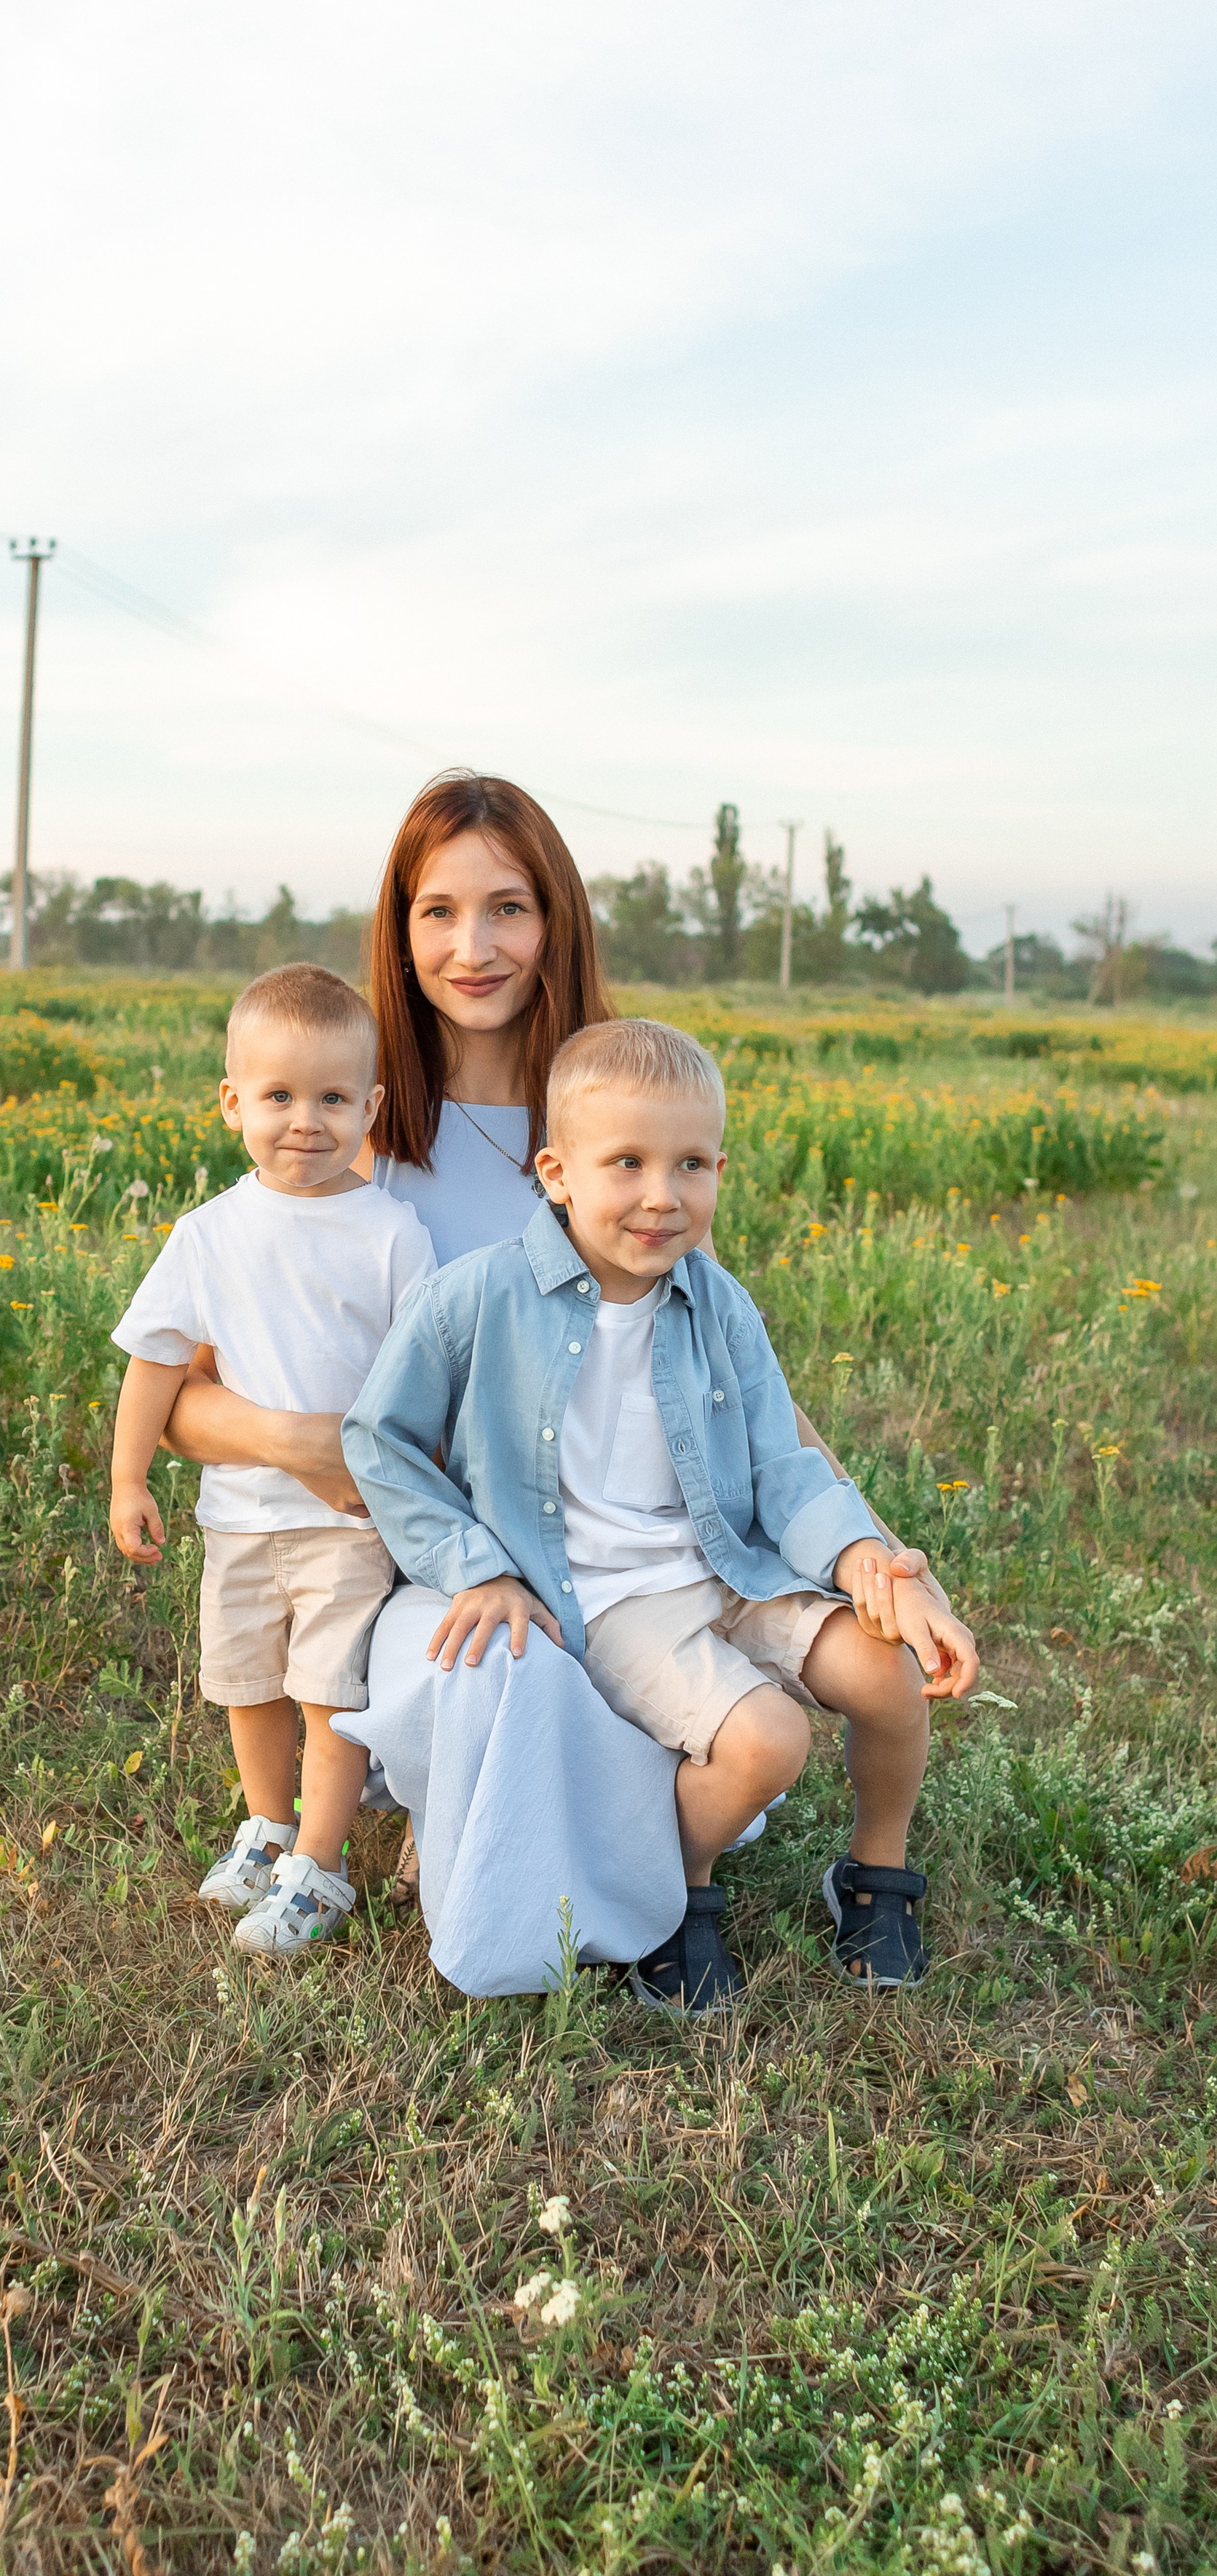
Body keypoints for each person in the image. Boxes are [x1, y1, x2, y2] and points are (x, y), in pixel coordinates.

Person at [162, 771, 956, 1992]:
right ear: (398, 929)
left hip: (634, 1537)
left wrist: (877, 1554)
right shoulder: (342, 1122)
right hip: (430, 1547)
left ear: (557, 923)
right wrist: (308, 1442)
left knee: (805, 1669)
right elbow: (182, 1398)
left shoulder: (624, 1110)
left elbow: (727, 1385)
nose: (472, 947)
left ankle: (649, 1843)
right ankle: (491, 1832)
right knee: (503, 1660)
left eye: (509, 909)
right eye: (437, 911)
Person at [341, 1017, 980, 2007]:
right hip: (609, 1599)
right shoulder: (474, 1300)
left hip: (731, 1565)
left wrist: (861, 1557)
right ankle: (671, 1897)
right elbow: (379, 1442)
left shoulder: (719, 1305)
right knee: (769, 1741)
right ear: (557, 1174)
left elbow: (780, 1463)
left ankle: (874, 1875)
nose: (661, 1195)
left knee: (885, 1671)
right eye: (628, 1163)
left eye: (690, 1164)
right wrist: (477, 1566)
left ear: (720, 1171)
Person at [108, 962, 435, 1958]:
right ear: (232, 1103)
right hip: (239, 1513)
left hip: (347, 1522)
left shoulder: (392, 1234)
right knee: (248, 1683)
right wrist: (128, 1480)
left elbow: (424, 1376)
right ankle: (267, 1828)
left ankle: (320, 1869)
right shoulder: (209, 1233)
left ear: (370, 1109)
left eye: (333, 1098)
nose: (305, 1121)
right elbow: (157, 1360)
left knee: (331, 1693)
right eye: (279, 1096)